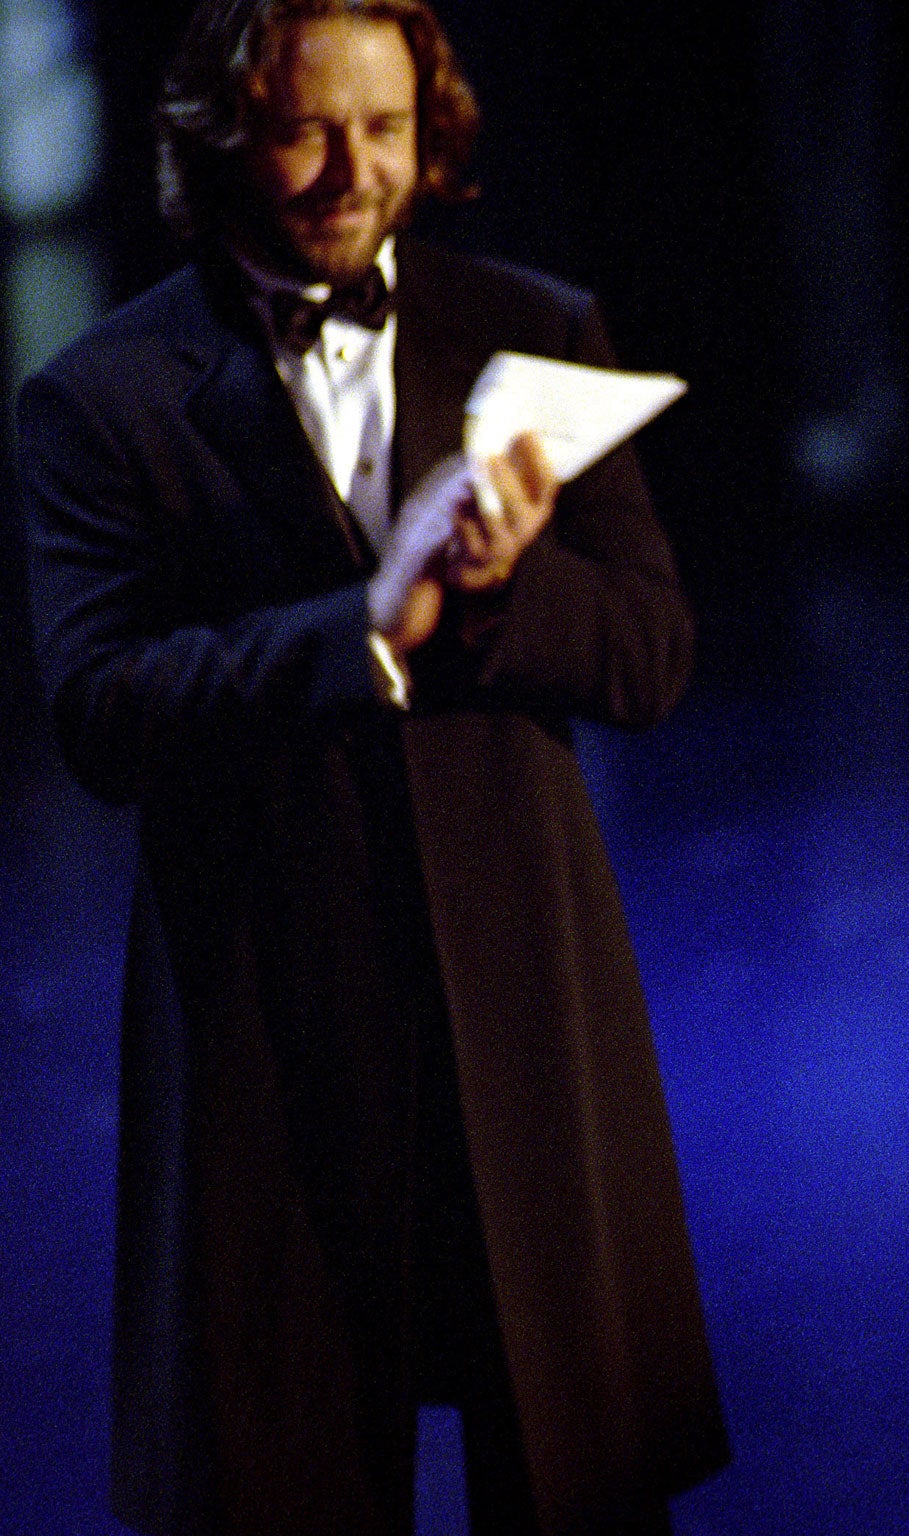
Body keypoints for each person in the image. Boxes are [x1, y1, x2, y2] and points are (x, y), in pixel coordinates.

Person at [18, 2, 727, 1531]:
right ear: (218, 134)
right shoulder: (100, 395)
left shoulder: (538, 327)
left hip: (524, 1018)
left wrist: (499, 589)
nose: (355, 169)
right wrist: (369, 622)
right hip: (269, 1038)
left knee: (578, 1476)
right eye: (305, 129)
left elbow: (652, 654)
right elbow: (100, 710)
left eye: (387, 128)